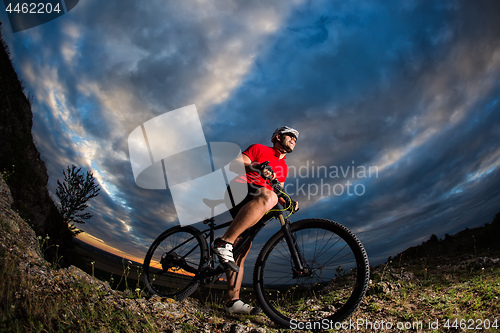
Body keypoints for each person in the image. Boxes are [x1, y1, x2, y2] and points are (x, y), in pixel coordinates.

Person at [212, 126, 299, 314]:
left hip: (260, 196)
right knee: (269, 198)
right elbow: (235, 165)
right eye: (290, 135)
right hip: (240, 189)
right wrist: (257, 167)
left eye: (296, 138)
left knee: (243, 247)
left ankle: (232, 302)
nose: (294, 139)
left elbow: (278, 191)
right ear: (277, 137)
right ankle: (223, 242)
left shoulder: (284, 167)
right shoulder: (259, 148)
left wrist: (289, 201)